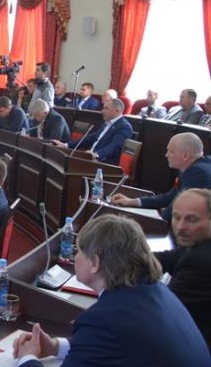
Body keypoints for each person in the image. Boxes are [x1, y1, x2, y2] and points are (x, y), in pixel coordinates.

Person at [13, 214, 210, 367]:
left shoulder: (104, 320)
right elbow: (115, 344)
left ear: (95, 263)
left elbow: (110, 335)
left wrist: (27, 358)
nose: (75, 257)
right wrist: (56, 346)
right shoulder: (155, 290)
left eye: (79, 251)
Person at [153, 189, 211, 348]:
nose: (180, 227)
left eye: (192, 220)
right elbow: (169, 258)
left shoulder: (201, 261)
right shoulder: (198, 243)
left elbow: (162, 310)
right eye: (177, 217)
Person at [111, 133, 211, 221]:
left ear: (185, 156)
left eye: (171, 151)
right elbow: (170, 197)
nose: (166, 155)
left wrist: (158, 218)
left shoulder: (198, 173)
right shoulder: (193, 167)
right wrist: (132, 202)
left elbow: (176, 208)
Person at [52, 97, 133, 165]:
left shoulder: (124, 127)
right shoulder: (107, 122)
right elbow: (92, 137)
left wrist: (97, 154)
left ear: (117, 111)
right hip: (90, 158)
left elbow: (115, 146)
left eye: (106, 108)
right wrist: (66, 145)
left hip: (104, 163)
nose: (102, 111)